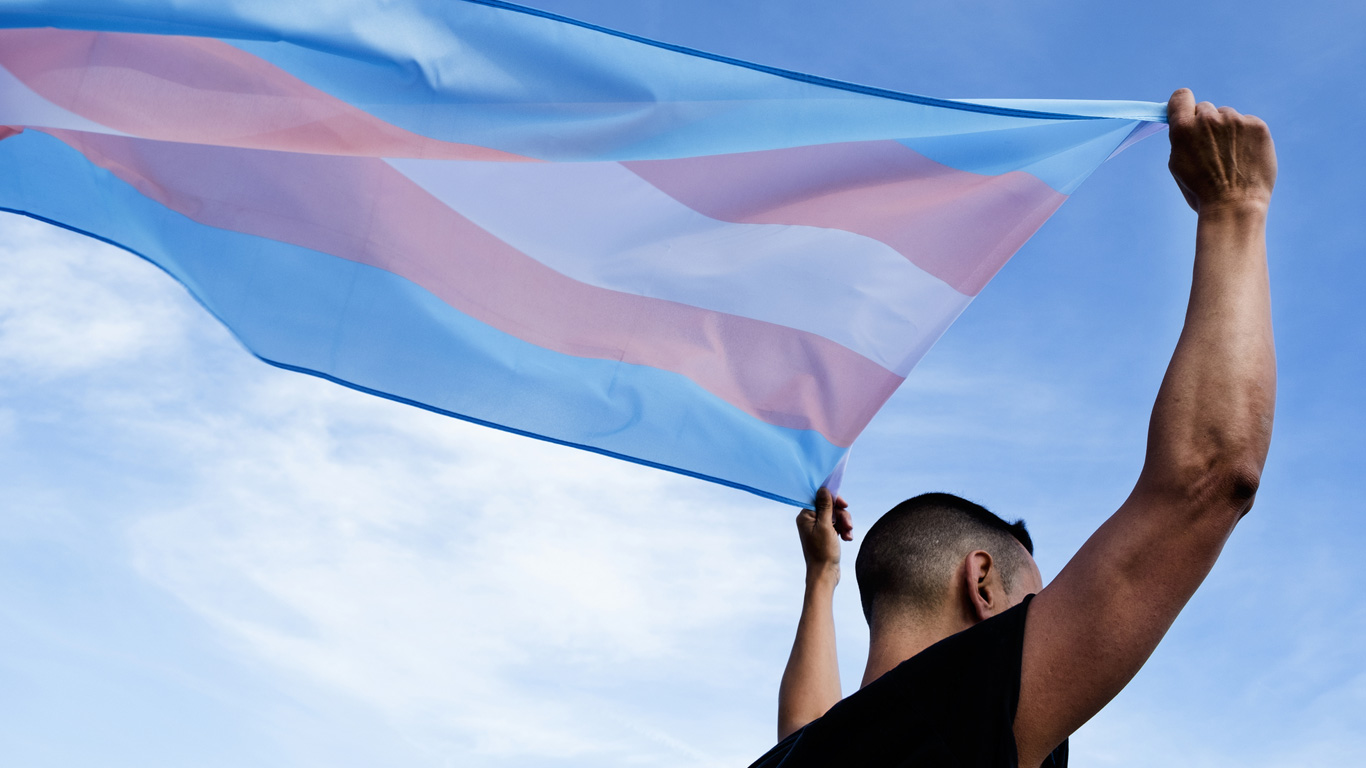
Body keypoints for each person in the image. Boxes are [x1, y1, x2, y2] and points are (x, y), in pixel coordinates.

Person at [750, 87, 1278, 768]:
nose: (1057, 615)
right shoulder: (944, 714)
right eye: (1038, 600)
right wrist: (1236, 209)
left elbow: (803, 722)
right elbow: (1210, 477)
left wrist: (822, 577)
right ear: (983, 583)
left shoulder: (807, 755)